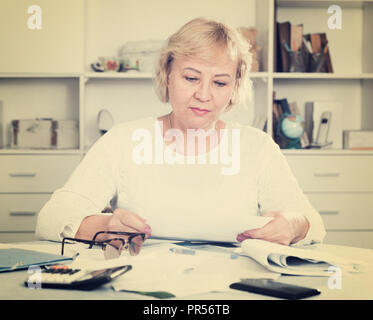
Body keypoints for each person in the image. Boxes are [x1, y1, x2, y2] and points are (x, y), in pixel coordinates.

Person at [36, 17, 326, 253]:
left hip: (235, 287)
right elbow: (50, 219)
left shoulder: (258, 147)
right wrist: (103, 226)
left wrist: (292, 224)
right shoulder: (123, 140)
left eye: (220, 82)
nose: (204, 95)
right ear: (167, 73)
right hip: (140, 284)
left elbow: (313, 223)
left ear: (234, 87)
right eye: (191, 78)